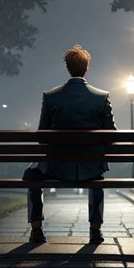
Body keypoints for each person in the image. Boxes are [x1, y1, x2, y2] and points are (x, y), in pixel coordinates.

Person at [25, 44, 117, 245]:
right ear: (87, 68)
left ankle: (36, 229)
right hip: (90, 167)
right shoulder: (101, 97)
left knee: (33, 176)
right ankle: (95, 230)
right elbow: (111, 135)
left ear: (68, 68)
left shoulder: (51, 97)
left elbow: (42, 136)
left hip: (57, 167)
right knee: (97, 180)